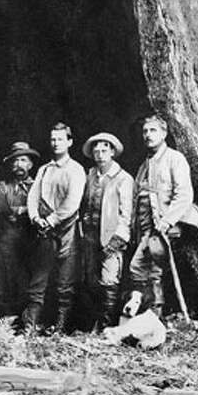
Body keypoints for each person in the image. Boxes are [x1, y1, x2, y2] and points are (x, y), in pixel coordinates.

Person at [129, 115, 198, 317]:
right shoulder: (145, 165)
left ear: (164, 133)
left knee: (141, 267)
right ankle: (151, 315)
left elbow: (185, 194)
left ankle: (154, 313)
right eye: (145, 131)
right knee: (151, 271)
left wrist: (167, 221)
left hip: (168, 224)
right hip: (147, 227)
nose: (148, 135)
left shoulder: (174, 158)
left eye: (153, 130)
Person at [25, 123, 86, 334]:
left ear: (69, 142)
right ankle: (30, 326)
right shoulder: (44, 169)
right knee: (39, 280)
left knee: (65, 283)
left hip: (66, 231)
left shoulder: (76, 170)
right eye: (52, 139)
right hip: (44, 232)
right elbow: (33, 197)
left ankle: (60, 329)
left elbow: (72, 203)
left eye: (60, 139)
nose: (55, 143)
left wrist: (51, 219)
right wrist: (35, 217)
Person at [80, 132, 134, 329]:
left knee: (109, 280)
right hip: (89, 236)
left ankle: (107, 328)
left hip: (111, 237)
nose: (100, 154)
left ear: (112, 152)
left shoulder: (123, 178)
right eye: (96, 151)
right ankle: (93, 325)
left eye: (104, 150)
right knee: (91, 280)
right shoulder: (90, 175)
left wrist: (118, 238)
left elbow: (126, 213)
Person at [0, 142, 40, 319]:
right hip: (6, 241)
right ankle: (8, 323)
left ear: (30, 164)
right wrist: (20, 209)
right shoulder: (3, 186)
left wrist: (21, 210)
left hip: (30, 241)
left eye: (23, 160)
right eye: (15, 161)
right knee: (7, 282)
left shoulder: (36, 186)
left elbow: (40, 208)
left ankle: (27, 321)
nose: (19, 165)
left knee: (29, 282)